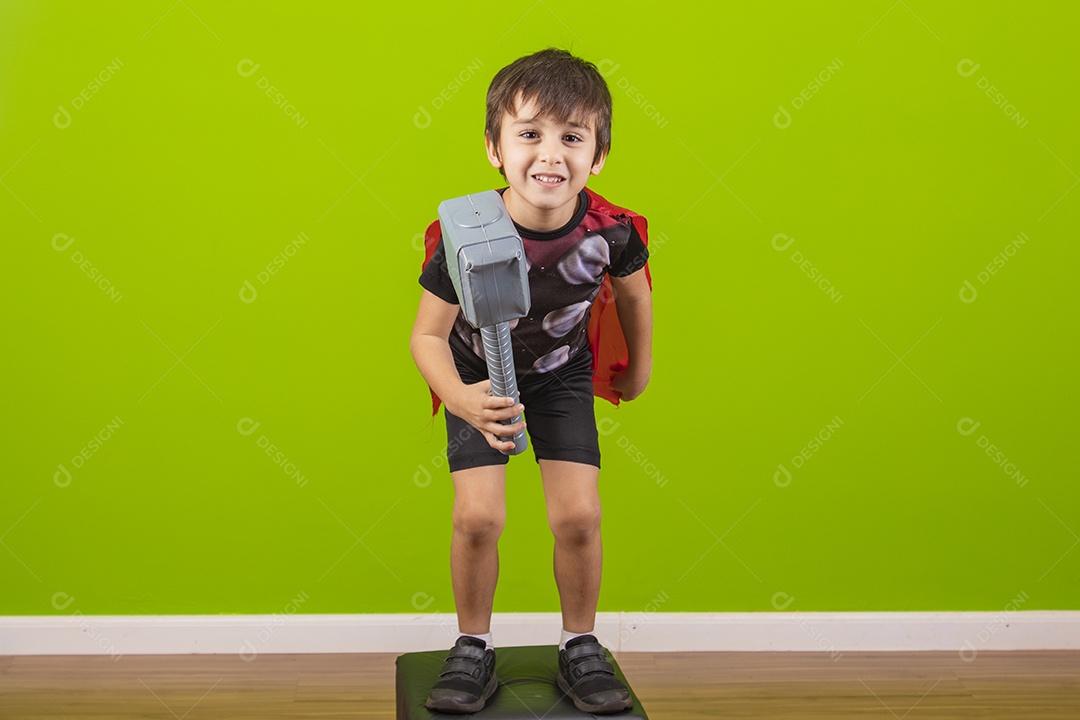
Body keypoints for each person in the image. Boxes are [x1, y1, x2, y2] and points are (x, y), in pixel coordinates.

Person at [409, 47, 653, 715]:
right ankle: (472, 644)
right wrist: (461, 397)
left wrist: (639, 363)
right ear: (494, 147)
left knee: (578, 515)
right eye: (530, 134)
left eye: (572, 136)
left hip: (560, 372)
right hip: (477, 375)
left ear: (597, 153)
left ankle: (580, 644)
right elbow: (426, 336)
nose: (551, 154)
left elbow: (634, 298)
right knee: (479, 516)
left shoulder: (613, 231)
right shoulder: (464, 235)